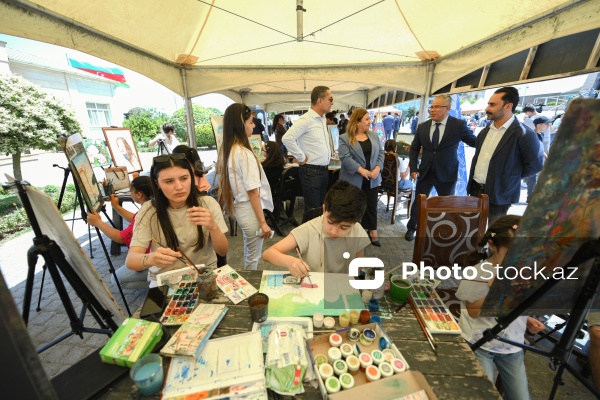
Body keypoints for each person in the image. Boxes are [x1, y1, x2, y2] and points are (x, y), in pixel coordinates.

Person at [456, 215, 546, 400]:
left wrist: (526, 319)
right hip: (478, 342)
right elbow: (472, 312)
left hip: (512, 345)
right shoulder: (479, 272)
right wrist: (494, 291)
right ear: (493, 245)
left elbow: (516, 306)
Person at [126, 153, 229, 288]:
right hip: (165, 279)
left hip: (203, 275)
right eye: (169, 181)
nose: (179, 187)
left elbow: (222, 251)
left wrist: (213, 227)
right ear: (157, 184)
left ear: (191, 178)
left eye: (184, 178)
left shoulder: (207, 204)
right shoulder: (149, 211)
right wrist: (151, 259)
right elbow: (131, 260)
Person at [405, 95, 477, 241]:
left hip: (447, 173)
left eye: (437, 107)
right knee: (418, 203)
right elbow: (414, 149)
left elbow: (475, 142)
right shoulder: (423, 127)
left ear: (448, 108)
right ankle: (412, 228)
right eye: (432, 106)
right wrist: (413, 168)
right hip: (425, 172)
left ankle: (444, 231)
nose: (432, 110)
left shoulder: (458, 125)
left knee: (446, 205)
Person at [262, 180, 370, 277]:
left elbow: (357, 266)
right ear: (324, 209)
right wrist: (290, 261)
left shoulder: (357, 230)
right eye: (330, 222)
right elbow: (268, 254)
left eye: (344, 227)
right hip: (313, 286)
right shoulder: (309, 229)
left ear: (354, 223)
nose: (333, 231)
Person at [468, 86, 544, 223]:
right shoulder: (485, 131)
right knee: (473, 230)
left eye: (492, 104)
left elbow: (535, 165)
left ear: (508, 106)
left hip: (500, 194)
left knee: (494, 234)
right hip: (475, 190)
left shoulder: (524, 134)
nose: (487, 108)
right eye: (488, 104)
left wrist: (509, 177)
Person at [218, 103, 274, 271]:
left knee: (250, 253)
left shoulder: (229, 150)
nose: (253, 125)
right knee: (253, 256)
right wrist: (263, 222)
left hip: (242, 209)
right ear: (240, 124)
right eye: (250, 121)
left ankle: (249, 285)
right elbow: (252, 190)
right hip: (249, 210)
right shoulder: (243, 153)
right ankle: (251, 287)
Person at [87, 176, 153, 289]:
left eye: (131, 191)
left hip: (153, 260)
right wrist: (116, 207)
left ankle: (158, 282)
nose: (130, 193)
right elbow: (135, 219)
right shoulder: (151, 205)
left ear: (139, 194)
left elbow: (121, 238)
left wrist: (98, 222)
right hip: (155, 255)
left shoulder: (147, 211)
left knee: (117, 280)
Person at [282, 85, 334, 219]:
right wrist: (300, 156)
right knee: (312, 212)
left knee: (320, 210)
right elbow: (287, 138)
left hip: (322, 170)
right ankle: (307, 239)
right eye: (330, 99)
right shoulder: (306, 119)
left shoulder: (321, 118)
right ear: (320, 101)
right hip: (311, 171)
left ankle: (314, 238)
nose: (332, 102)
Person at [338, 108, 384, 247]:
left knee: (371, 205)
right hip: (354, 178)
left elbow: (381, 153)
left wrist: (377, 168)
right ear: (357, 122)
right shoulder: (344, 138)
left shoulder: (374, 135)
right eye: (367, 119)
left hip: (373, 177)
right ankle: (352, 233)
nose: (370, 122)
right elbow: (345, 158)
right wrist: (361, 170)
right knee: (353, 206)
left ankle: (373, 232)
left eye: (369, 119)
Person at [523, 117, 550, 203]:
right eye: (546, 124)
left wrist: (546, 157)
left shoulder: (540, 134)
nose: (548, 126)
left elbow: (541, 147)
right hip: (531, 163)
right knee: (532, 181)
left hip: (537, 163)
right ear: (538, 125)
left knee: (533, 181)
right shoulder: (532, 136)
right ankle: (530, 199)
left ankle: (530, 198)